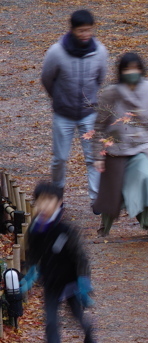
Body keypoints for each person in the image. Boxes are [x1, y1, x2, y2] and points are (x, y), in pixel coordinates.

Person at [21, 182, 96, 343]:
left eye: (49, 201)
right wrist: (30, 272)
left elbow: (80, 257)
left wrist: (83, 281)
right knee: (51, 323)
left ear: (59, 203)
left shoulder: (65, 230)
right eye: (41, 201)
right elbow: (33, 254)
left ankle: (88, 331)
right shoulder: (35, 229)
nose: (44, 206)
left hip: (71, 282)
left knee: (77, 316)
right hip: (51, 283)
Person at [92, 52, 148, 241]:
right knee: (114, 189)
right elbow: (99, 125)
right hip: (116, 147)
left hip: (142, 145)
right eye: (127, 68)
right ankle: (104, 227)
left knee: (144, 178)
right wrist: (98, 156)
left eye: (135, 68)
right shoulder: (111, 93)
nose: (131, 72)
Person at [41, 9, 108, 205]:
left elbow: (100, 77)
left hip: (89, 113)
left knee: (93, 157)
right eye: (81, 31)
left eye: (89, 30)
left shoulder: (99, 51)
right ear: (72, 30)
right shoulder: (57, 52)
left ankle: (96, 199)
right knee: (60, 158)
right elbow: (47, 78)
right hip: (64, 114)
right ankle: (58, 196)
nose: (85, 35)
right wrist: (59, 98)